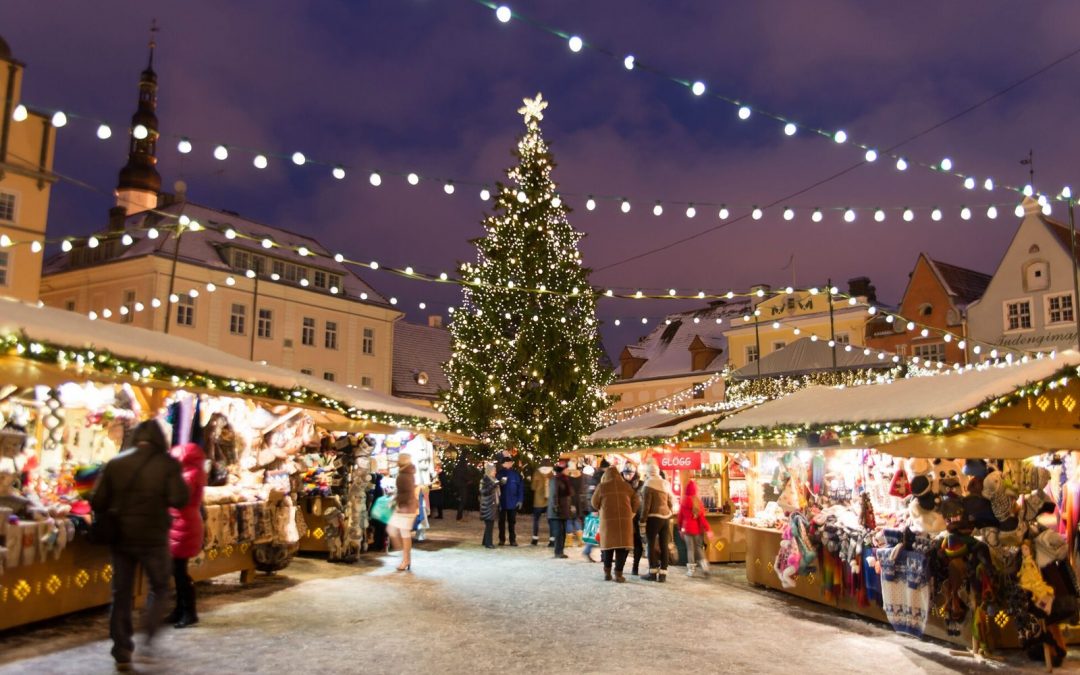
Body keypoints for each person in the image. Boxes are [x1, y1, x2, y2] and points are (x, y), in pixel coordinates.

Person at [90, 420, 188, 671]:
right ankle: (148, 635)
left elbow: (97, 501)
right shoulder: (168, 464)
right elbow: (179, 498)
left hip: (121, 537)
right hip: (153, 537)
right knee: (160, 588)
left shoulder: (116, 462)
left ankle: (121, 648)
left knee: (120, 593)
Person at [166, 442, 206, 628]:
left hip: (183, 525)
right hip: (181, 524)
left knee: (180, 571)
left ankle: (189, 612)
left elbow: (177, 498)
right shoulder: (190, 473)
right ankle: (181, 609)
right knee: (177, 570)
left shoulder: (189, 475)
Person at [592, 465, 641, 582]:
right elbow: (637, 501)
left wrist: (601, 507)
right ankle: (618, 574)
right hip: (625, 522)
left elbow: (594, 503)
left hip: (607, 522)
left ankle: (607, 573)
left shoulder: (602, 487)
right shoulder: (627, 487)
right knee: (621, 548)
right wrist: (632, 513)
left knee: (608, 548)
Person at [641, 461, 673, 582]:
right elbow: (670, 501)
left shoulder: (648, 484)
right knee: (664, 545)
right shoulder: (665, 483)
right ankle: (663, 574)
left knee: (651, 544)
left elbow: (646, 506)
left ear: (648, 473)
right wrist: (669, 513)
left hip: (653, 518)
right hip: (666, 517)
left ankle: (652, 572)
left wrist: (642, 521)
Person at [387, 453, 418, 571]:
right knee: (404, 533)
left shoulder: (403, 475)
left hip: (405, 507)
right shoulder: (409, 473)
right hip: (409, 506)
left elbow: (405, 493)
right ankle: (406, 559)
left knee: (393, 530)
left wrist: (395, 501)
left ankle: (404, 557)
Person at [678, 479, 712, 578]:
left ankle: (691, 570)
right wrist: (708, 529)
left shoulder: (683, 502)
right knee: (699, 548)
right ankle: (705, 567)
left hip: (687, 529)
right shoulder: (698, 502)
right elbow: (702, 518)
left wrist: (680, 528)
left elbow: (680, 517)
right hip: (697, 530)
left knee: (690, 550)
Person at [621, 462, 645, 575]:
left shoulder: (641, 484)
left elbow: (644, 500)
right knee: (624, 544)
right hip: (624, 516)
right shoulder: (620, 483)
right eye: (626, 473)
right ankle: (620, 566)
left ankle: (635, 567)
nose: (628, 476)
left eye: (630, 473)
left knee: (638, 543)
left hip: (638, 517)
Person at [496, 454, 524, 546]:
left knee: (512, 522)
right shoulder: (499, 474)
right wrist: (500, 483)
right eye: (507, 463)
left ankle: (512, 540)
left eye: (510, 463)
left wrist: (520, 500)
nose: (509, 464)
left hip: (513, 502)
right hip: (502, 502)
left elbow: (520, 488)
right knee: (501, 522)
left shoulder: (516, 474)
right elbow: (495, 487)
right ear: (503, 464)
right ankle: (502, 539)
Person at [548, 460, 574, 559]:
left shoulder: (564, 480)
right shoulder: (555, 480)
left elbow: (568, 495)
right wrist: (555, 507)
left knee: (562, 532)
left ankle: (560, 551)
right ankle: (558, 552)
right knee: (558, 532)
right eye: (567, 469)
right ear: (563, 470)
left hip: (563, 510)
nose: (568, 470)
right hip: (557, 511)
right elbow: (554, 495)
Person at [530, 461, 552, 546]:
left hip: (538, 501)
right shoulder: (551, 474)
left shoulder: (537, 473)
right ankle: (552, 539)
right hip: (549, 501)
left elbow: (533, 487)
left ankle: (535, 538)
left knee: (536, 520)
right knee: (551, 521)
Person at [479, 462, 500, 549]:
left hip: (492, 504)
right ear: (489, 471)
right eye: (493, 470)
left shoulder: (493, 479)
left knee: (489, 524)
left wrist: (500, 483)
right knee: (489, 524)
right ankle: (488, 543)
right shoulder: (484, 480)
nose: (495, 472)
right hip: (487, 505)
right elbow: (483, 492)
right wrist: (493, 485)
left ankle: (485, 541)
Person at [453, 456, 470, 521]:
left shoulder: (457, 467)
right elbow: (464, 476)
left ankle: (459, 515)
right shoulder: (463, 467)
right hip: (463, 485)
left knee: (461, 500)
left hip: (458, 485)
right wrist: (469, 480)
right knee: (463, 500)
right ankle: (459, 516)